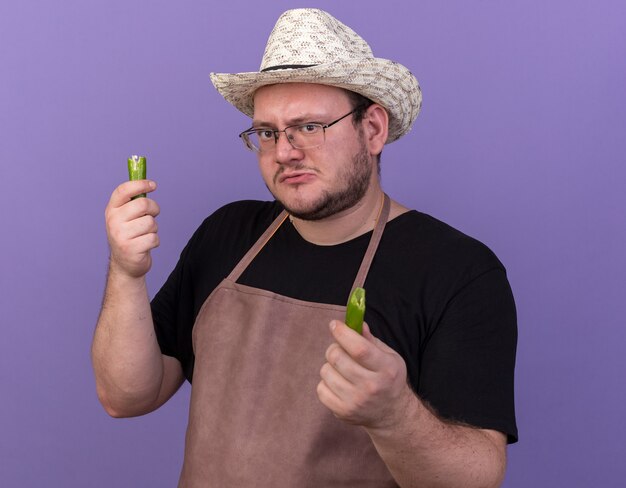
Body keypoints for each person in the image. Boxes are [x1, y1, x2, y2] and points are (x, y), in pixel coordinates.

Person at [92, 8, 517, 487]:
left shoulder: (456, 271)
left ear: (372, 129)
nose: (285, 151)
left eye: (310, 126)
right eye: (267, 133)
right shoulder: (227, 233)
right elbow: (125, 396)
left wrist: (393, 414)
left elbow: (478, 477)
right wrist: (127, 273)